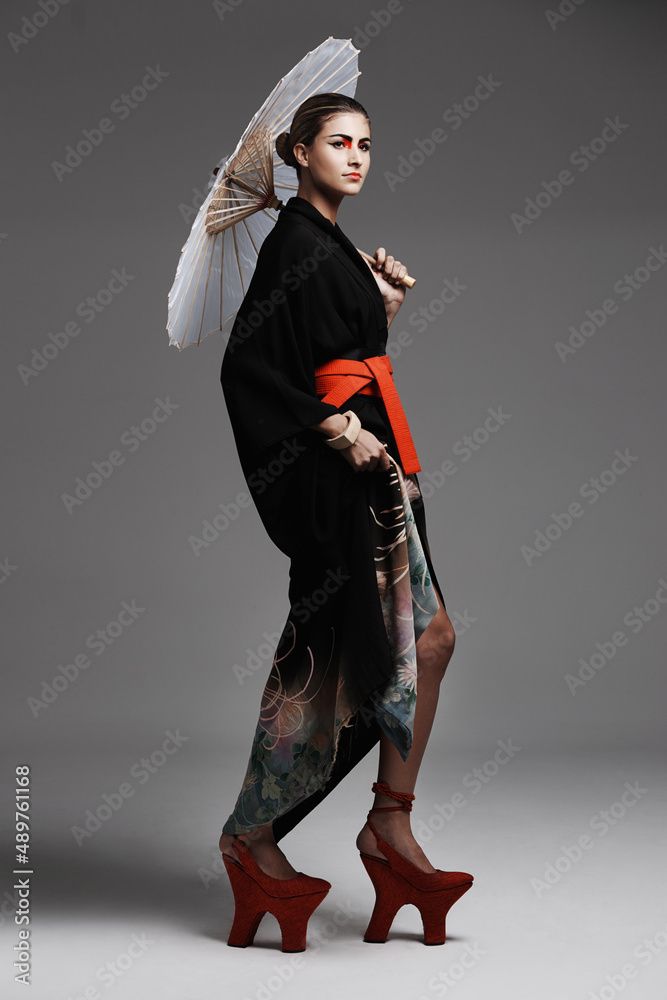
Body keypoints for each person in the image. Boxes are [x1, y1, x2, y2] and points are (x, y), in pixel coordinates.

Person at [218, 93, 473, 952]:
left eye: (366, 143)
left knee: (423, 641)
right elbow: (249, 365)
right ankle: (252, 838)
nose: (357, 156)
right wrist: (333, 427)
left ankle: (387, 830)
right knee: (330, 656)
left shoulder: (327, 245)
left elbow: (345, 357)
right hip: (340, 480)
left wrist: (383, 308)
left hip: (380, 471)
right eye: (337, 142)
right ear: (296, 153)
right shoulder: (293, 239)